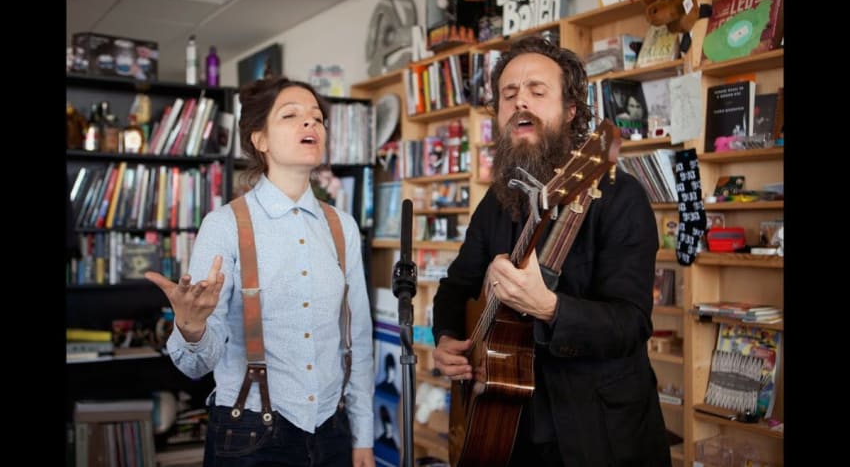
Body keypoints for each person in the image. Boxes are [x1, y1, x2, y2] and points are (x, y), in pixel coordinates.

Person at [430, 36, 671, 466]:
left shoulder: (619, 198)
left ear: (571, 110)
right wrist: (447, 337)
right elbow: (456, 285)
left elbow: (630, 324)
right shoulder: (496, 201)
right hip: (505, 426)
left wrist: (550, 308)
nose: (520, 101)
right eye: (509, 94)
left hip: (597, 435)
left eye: (537, 91)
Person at [145, 76, 375, 467]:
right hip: (249, 436)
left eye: (317, 118)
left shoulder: (343, 227)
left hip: (332, 432)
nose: (311, 125)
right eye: (291, 116)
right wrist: (192, 329)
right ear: (260, 139)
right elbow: (195, 365)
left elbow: (358, 340)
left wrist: (363, 437)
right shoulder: (225, 225)